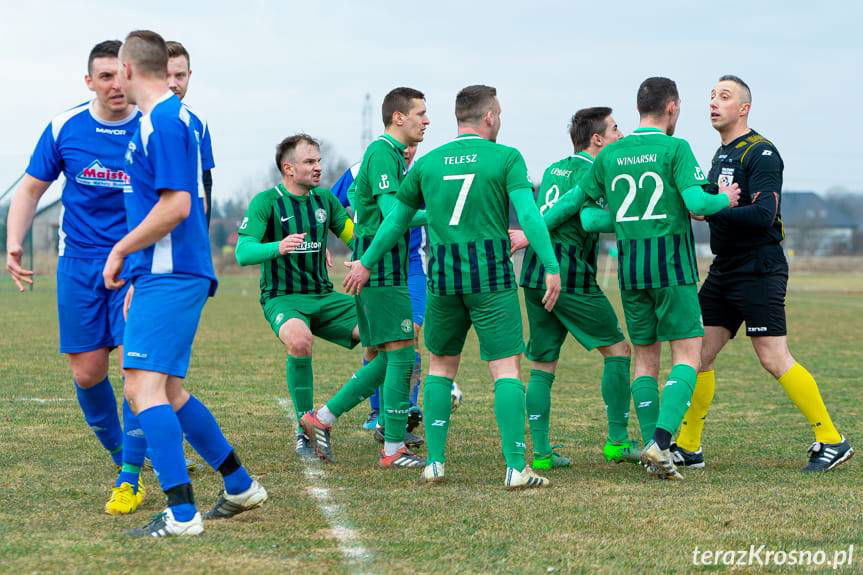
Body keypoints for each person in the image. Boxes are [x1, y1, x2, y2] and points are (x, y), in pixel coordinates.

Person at [344, 85, 562, 489]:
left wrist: (365, 263)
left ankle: (435, 463)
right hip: (491, 279)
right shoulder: (507, 157)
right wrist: (550, 264)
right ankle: (516, 467)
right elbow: (529, 216)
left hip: (442, 278)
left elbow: (393, 222)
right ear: (490, 117)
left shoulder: (429, 164)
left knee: (441, 367)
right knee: (506, 370)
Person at [104, 30, 266, 537]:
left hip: (171, 274)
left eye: (117, 70)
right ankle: (238, 484)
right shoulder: (163, 121)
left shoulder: (167, 122)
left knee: (141, 387)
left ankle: (181, 514)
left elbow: (177, 206)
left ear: (130, 69)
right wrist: (135, 271)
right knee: (168, 390)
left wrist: (121, 248)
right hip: (160, 275)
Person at [672, 75, 853, 472]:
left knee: (773, 357)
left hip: (759, 267)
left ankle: (831, 439)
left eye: (725, 96)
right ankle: (688, 447)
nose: (714, 103)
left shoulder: (762, 153)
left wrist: (714, 208)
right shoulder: (720, 156)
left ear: (744, 108)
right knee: (698, 353)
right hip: (725, 269)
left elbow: (763, 214)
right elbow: (703, 201)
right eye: (712, 96)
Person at [5, 40, 145, 509]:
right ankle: (122, 453)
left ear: (131, 74)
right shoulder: (65, 126)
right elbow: (29, 189)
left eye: (118, 75)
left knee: (137, 370)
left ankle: (130, 477)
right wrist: (15, 242)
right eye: (102, 77)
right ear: (90, 82)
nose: (113, 85)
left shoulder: (152, 127)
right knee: (88, 374)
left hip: (135, 265)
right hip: (79, 263)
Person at [576, 77, 740, 480]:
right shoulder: (675, 148)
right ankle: (662, 443)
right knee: (687, 356)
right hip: (671, 269)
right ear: (672, 107)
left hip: (632, 273)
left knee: (645, 361)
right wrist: (726, 199)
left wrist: (629, 219)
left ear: (638, 108)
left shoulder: (610, 155)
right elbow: (698, 202)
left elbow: (587, 214)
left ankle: (654, 448)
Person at [301, 87, 430, 468]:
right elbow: (393, 213)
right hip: (385, 272)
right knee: (402, 354)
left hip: (382, 271)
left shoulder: (390, 156)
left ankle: (321, 417)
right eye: (420, 113)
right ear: (398, 118)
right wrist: (442, 216)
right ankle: (392, 449)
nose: (426, 121)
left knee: (392, 357)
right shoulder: (382, 153)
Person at [508, 107, 636, 469]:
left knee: (542, 363)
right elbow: (589, 218)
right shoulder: (593, 171)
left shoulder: (553, 168)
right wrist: (636, 214)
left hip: (533, 271)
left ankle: (543, 453)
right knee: (618, 350)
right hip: (566, 272)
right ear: (597, 139)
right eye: (615, 129)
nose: (620, 134)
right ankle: (617, 443)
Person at [235, 134, 368, 461]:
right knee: (299, 340)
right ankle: (303, 426)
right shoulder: (266, 202)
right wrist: (276, 247)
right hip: (283, 298)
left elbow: (354, 236)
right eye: (310, 162)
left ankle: (326, 417)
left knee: (385, 338)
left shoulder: (325, 201)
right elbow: (243, 252)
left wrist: (363, 255)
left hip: (324, 296)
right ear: (288, 168)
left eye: (319, 161)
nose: (318, 167)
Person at [165, 41, 215, 224]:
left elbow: (205, 182)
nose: (173, 84)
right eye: (165, 76)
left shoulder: (198, 120)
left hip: (185, 235)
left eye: (180, 76)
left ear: (189, 75)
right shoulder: (136, 118)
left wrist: (203, 232)